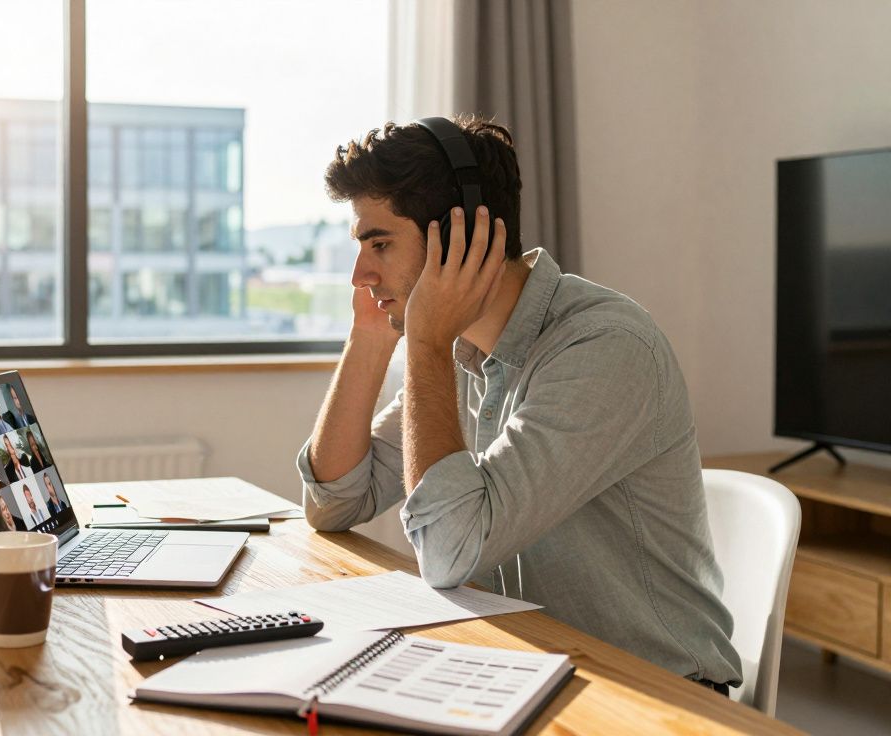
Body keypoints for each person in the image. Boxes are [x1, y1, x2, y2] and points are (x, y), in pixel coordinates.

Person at [299, 116, 742, 692]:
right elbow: (333, 503)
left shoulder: (603, 348)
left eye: (379, 244)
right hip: (525, 667)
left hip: (653, 694)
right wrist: (370, 335)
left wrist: (425, 343)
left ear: (457, 240)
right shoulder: (464, 352)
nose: (360, 275)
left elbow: (449, 551)